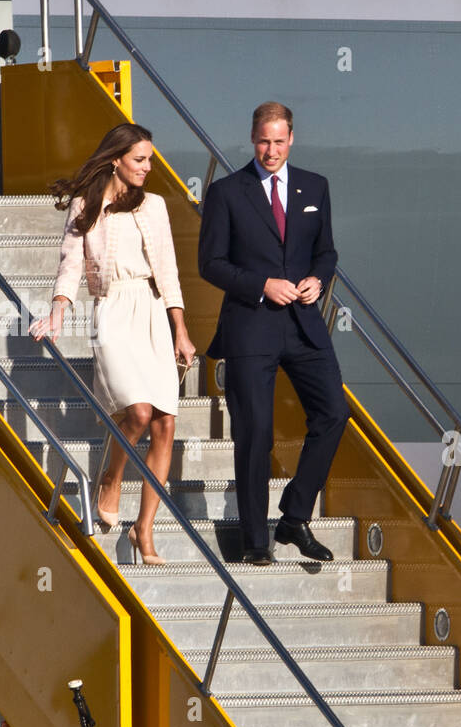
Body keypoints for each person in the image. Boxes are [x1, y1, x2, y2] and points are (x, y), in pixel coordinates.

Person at [31, 122, 195, 565]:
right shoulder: (87, 205)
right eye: (140, 160)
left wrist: (180, 330)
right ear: (116, 159)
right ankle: (111, 478)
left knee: (165, 423)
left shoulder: (156, 206)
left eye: (150, 161)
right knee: (138, 412)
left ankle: (145, 529)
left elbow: (169, 270)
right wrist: (59, 311)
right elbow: (69, 263)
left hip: (152, 311)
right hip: (112, 311)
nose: (146, 168)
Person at [198, 100, 348, 564]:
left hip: (304, 326)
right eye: (263, 141)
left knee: (334, 413)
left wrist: (317, 280)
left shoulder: (315, 187)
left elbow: (326, 252)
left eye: (279, 141)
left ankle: (294, 517)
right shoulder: (227, 192)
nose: (270, 150)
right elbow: (211, 265)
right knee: (256, 432)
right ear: (252, 137)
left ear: (291, 139)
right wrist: (262, 285)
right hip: (250, 326)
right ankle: (255, 541)